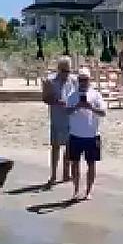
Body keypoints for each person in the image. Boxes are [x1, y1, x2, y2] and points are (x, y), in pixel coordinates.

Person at [65, 68, 106, 200]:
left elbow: (103, 112)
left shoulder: (96, 95)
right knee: (74, 163)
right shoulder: (72, 95)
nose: (83, 82)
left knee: (91, 164)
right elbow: (66, 112)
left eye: (85, 80)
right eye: (81, 80)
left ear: (89, 80)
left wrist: (91, 107)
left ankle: (88, 191)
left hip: (92, 135)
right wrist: (76, 106)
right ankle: (76, 190)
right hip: (75, 135)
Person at [41, 56, 77, 185]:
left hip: (70, 117)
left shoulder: (73, 81)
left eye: (68, 71)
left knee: (69, 146)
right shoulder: (51, 81)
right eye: (63, 71)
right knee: (55, 146)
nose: (66, 74)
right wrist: (57, 101)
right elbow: (45, 98)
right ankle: (53, 174)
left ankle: (66, 173)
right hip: (57, 117)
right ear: (59, 69)